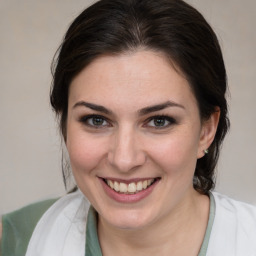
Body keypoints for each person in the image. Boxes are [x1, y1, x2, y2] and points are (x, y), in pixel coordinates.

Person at [1, 0, 256, 255]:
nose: (124, 160)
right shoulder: (13, 242)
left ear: (206, 130)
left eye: (159, 121)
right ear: (64, 123)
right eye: (96, 120)